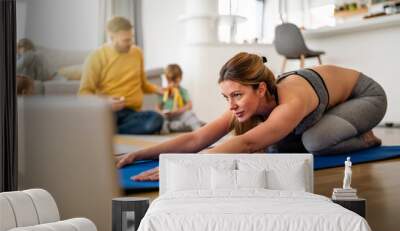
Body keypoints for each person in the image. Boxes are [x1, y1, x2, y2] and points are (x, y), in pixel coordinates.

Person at [117, 52, 387, 181]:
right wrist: (140, 155)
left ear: (260, 89)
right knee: (277, 144)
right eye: (226, 97)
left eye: (236, 95)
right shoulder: (249, 102)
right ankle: (342, 130)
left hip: (364, 98)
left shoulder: (290, 102)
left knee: (314, 142)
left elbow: (246, 144)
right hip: (328, 108)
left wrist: (182, 167)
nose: (231, 105)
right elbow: (198, 137)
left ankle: (365, 138)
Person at [79, 16, 164, 134]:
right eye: (125, 40)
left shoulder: (137, 53)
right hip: (109, 111)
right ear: (111, 36)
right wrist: (106, 102)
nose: (130, 43)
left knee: (156, 119)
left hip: (131, 113)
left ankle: (109, 130)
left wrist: (158, 90)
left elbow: (143, 84)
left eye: (131, 38)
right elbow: (83, 93)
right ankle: (107, 128)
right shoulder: (96, 56)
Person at [156, 64, 203, 133]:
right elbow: (157, 107)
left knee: (190, 115)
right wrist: (162, 113)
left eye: (175, 82)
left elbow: (189, 105)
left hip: (179, 116)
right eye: (169, 82)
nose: (172, 84)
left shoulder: (182, 91)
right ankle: (174, 127)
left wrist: (179, 111)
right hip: (167, 117)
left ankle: (198, 130)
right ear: (166, 79)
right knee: (160, 120)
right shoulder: (164, 91)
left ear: (180, 78)